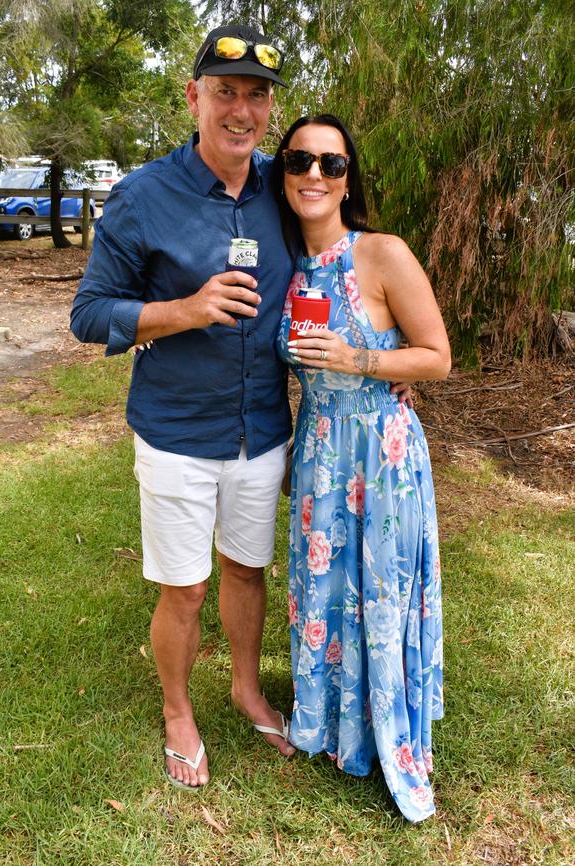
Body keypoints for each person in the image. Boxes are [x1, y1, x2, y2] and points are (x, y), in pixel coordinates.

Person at [70, 24, 298, 790]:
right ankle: (177, 710)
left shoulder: (287, 187)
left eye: (257, 95)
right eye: (225, 91)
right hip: (175, 432)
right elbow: (90, 313)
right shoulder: (143, 196)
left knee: (245, 570)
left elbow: (345, 267)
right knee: (186, 585)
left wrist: (386, 360)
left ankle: (243, 688)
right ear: (194, 96)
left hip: (261, 429)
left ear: (270, 107)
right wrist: (183, 310)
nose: (242, 109)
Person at [274, 114, 450, 822]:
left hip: (381, 453)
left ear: (349, 179)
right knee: (324, 590)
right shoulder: (286, 262)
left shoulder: (382, 254)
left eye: (332, 164)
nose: (315, 174)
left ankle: (385, 734)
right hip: (319, 449)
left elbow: (436, 356)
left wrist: (362, 362)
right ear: (283, 173)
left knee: (377, 590)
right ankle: (328, 726)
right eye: (300, 161)